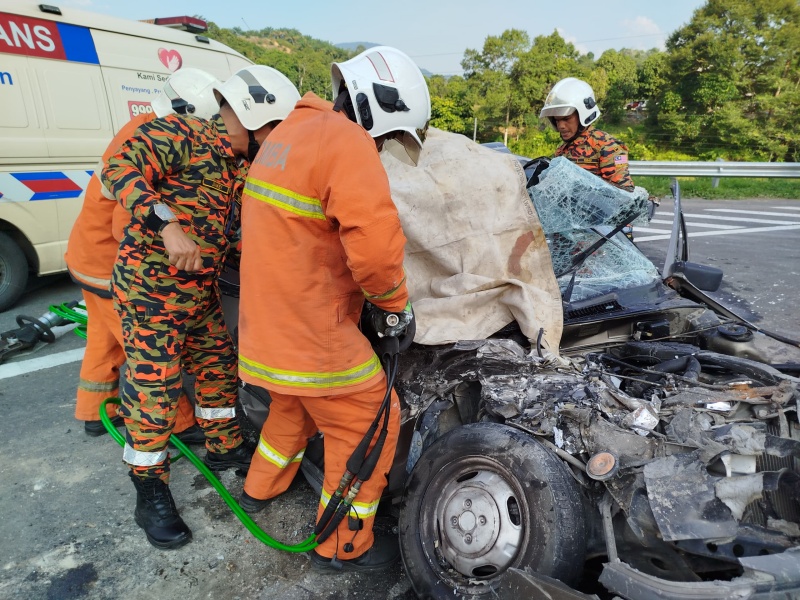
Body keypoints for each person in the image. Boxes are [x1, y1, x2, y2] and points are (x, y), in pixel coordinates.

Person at [235, 46, 430, 572]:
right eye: (390, 135)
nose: (384, 146)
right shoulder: (346, 140)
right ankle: (343, 543)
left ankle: (259, 488)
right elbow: (373, 241)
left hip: (268, 328)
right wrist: (393, 307)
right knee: (371, 419)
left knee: (295, 404)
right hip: (309, 330)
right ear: (377, 108)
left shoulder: (290, 134)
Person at [100, 65, 301, 550]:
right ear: (254, 120)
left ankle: (223, 447)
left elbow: (231, 228)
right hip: (150, 293)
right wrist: (167, 225)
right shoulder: (182, 133)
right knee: (156, 393)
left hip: (198, 295)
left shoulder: (239, 165)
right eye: (272, 132)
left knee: (217, 367)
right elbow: (116, 171)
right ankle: (149, 487)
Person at [67, 68, 220, 441]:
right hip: (109, 262)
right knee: (149, 352)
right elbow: (128, 223)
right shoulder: (149, 138)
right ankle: (182, 424)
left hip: (87, 254)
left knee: (104, 338)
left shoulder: (142, 125)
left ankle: (92, 409)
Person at [540, 77, 634, 191]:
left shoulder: (610, 147)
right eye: (557, 120)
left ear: (582, 115)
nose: (561, 126)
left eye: (566, 118)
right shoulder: (562, 150)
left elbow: (624, 192)